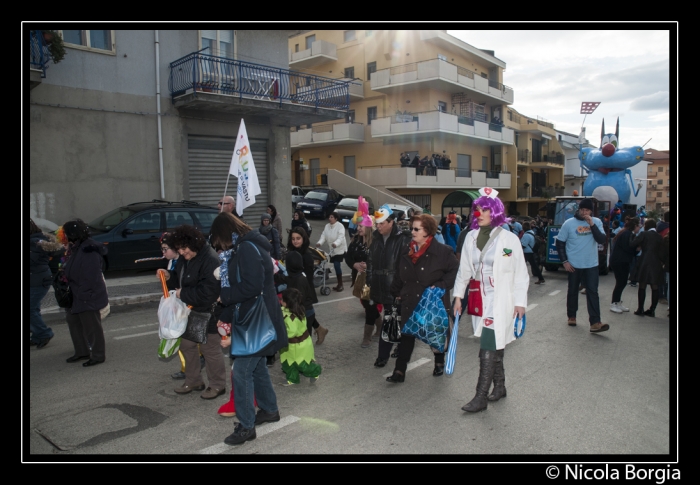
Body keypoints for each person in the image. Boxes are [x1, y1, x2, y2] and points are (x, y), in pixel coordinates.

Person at [210, 212, 288, 446]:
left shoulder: (246, 248)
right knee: (257, 367)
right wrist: (224, 312)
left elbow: (252, 286)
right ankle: (269, 410)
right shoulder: (246, 246)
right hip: (257, 318)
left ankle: (246, 427)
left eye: (218, 242)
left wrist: (225, 296)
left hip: (257, 320)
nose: (219, 248)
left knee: (241, 371)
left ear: (224, 234)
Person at [452, 187, 529, 412]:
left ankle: (480, 397)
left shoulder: (509, 240)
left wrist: (520, 302)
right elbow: (464, 269)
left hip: (502, 299)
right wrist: (458, 296)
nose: (479, 213)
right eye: (477, 209)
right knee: (494, 343)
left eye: (484, 209)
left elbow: (519, 272)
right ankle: (501, 386)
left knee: (487, 345)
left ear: (494, 211)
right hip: (480, 299)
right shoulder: (470, 237)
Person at [386, 214, 459, 383]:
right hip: (410, 298)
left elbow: (455, 271)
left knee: (433, 333)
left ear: (428, 231)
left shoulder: (442, 251)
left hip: (430, 301)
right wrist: (395, 291)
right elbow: (399, 273)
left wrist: (441, 285)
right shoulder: (407, 250)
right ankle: (399, 371)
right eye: (412, 228)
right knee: (406, 335)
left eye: (416, 229)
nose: (412, 231)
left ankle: (439, 362)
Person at [166, 224, 227, 398]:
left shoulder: (210, 259)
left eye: (184, 249)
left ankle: (217, 385)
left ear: (193, 243)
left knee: (210, 349)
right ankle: (194, 381)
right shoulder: (187, 257)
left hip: (210, 312)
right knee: (187, 345)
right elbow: (181, 278)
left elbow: (209, 293)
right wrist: (169, 277)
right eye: (179, 250)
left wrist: (182, 293)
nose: (183, 253)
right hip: (192, 311)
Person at [366, 205, 412, 367]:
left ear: (391, 222)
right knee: (391, 319)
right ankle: (391, 349)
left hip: (396, 287)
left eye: (381, 223)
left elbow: (406, 266)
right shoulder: (376, 238)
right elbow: (370, 260)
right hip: (380, 286)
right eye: (377, 224)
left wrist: (400, 287)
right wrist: (370, 279)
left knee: (393, 319)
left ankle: (386, 354)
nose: (378, 227)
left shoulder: (403, 238)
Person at [60, 219, 109, 366]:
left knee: (91, 326)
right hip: (77, 293)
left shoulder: (89, 249)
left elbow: (91, 276)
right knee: (73, 321)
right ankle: (82, 351)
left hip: (87, 294)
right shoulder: (76, 247)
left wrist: (84, 294)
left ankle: (98, 355)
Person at [157, 232, 206, 380]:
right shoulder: (173, 262)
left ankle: (190, 367)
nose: (163, 252)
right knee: (185, 337)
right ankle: (193, 364)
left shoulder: (183, 261)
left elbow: (184, 283)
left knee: (181, 336)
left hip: (185, 304)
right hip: (178, 303)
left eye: (166, 249)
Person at [555, 198, 608, 332]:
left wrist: (592, 225)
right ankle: (572, 316)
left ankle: (595, 322)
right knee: (573, 290)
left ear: (591, 211)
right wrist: (565, 261)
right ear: (578, 210)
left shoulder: (597, 222)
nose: (584, 212)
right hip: (574, 263)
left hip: (591, 264)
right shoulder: (568, 223)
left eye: (587, 210)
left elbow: (601, 239)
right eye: (582, 210)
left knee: (592, 292)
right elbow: (560, 243)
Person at [286, 227, 329, 344]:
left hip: (302, 290)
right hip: (293, 288)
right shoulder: (291, 251)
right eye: (293, 238)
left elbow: (308, 278)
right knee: (303, 314)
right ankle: (320, 329)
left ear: (304, 239)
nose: (295, 241)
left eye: (298, 238)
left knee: (303, 314)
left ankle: (305, 343)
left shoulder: (306, 255)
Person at [275, 251, 325, 348]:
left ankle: (308, 357)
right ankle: (320, 330)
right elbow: (283, 278)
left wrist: (286, 303)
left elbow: (298, 300)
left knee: (305, 338)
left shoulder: (300, 280)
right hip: (303, 311)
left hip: (305, 312)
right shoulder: (294, 276)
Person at [346, 223, 381, 348]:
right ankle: (380, 325)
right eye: (358, 226)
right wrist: (354, 264)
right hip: (360, 278)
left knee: (371, 305)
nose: (359, 228)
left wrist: (369, 264)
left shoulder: (377, 241)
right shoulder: (356, 241)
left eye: (362, 226)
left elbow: (383, 260)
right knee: (366, 304)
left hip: (374, 279)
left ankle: (367, 337)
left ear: (369, 227)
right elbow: (348, 256)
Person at [29, 218, 63, 348]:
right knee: (34, 308)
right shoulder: (35, 240)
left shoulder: (33, 243)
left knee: (29, 309)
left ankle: (44, 333)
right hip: (36, 279)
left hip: (38, 281)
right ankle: (37, 336)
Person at [279, 288, 322, 385]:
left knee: (302, 364)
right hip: (289, 346)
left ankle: (315, 371)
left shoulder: (293, 317)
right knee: (287, 363)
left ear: (287, 303)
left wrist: (280, 333)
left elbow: (292, 332)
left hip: (299, 346)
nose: (280, 301)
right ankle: (292, 378)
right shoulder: (289, 310)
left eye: (282, 300)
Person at [630, 219, 665, 317]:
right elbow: (661, 252)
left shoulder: (644, 234)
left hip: (644, 261)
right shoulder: (659, 236)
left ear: (647, 226)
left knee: (642, 285)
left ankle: (640, 309)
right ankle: (652, 310)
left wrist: (633, 234)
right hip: (656, 263)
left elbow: (633, 243)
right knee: (655, 286)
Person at [609, 218, 640, 314]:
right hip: (620, 261)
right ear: (634, 226)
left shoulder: (626, 233)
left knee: (622, 282)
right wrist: (636, 248)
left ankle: (617, 302)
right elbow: (628, 247)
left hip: (621, 261)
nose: (640, 228)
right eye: (639, 226)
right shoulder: (627, 234)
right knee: (620, 282)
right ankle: (614, 303)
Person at [316, 212, 347, 292]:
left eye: (332, 217)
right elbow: (324, 236)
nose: (330, 218)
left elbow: (341, 237)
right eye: (329, 217)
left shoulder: (340, 226)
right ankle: (338, 284)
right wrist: (319, 243)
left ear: (336, 218)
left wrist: (336, 243)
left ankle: (340, 284)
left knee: (337, 265)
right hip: (332, 249)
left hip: (339, 249)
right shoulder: (327, 226)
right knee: (335, 265)